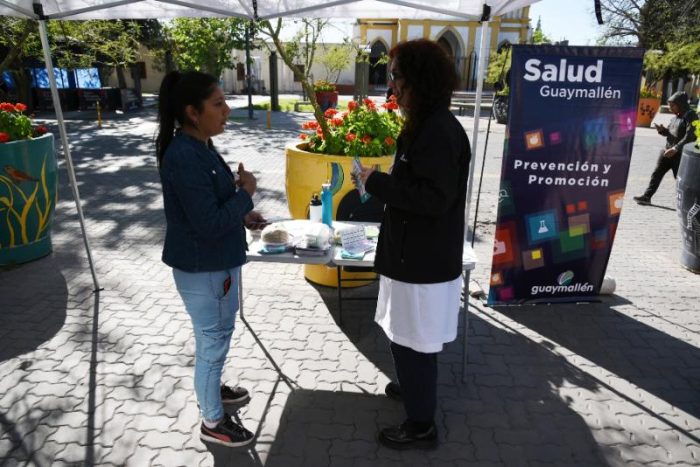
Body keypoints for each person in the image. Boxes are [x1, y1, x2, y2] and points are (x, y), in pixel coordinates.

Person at [357, 39, 471, 450]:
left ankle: (421, 424)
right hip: (412, 256)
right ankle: (413, 390)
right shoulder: (426, 124)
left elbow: (433, 199)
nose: (392, 86)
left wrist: (378, 182)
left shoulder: (438, 130)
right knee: (405, 336)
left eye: (397, 76)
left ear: (418, 80)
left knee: (414, 342)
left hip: (421, 263)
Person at [156, 70, 266, 448]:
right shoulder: (185, 154)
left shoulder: (200, 146)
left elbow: (212, 209)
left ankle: (212, 392)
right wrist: (246, 194)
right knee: (213, 342)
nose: (227, 111)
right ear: (192, 112)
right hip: (205, 268)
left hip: (214, 264)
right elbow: (207, 223)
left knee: (215, 340)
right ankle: (213, 421)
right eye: (218, 104)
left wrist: (242, 214)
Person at [633, 91, 698, 205]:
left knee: (681, 180)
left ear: (681, 104)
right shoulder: (675, 118)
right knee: (656, 174)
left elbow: (690, 136)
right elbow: (670, 133)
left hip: (679, 155)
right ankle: (647, 197)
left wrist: (676, 148)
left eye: (673, 105)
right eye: (669, 105)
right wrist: (663, 131)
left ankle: (689, 203)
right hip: (667, 151)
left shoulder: (690, 115)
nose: (670, 108)